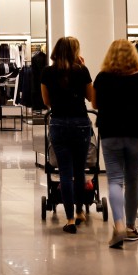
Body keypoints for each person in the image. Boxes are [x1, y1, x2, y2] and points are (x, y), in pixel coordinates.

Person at [93, 39, 138, 248]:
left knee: (115, 180)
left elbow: (94, 104)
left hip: (110, 132)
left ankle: (118, 224)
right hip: (136, 133)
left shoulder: (102, 79)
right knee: (132, 180)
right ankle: (130, 227)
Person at [40, 36, 94, 233]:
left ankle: (70, 219)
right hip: (80, 123)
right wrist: (84, 69)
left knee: (64, 172)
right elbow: (91, 97)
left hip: (58, 123)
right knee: (80, 171)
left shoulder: (47, 72)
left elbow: (46, 101)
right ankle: (80, 211)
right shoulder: (82, 71)